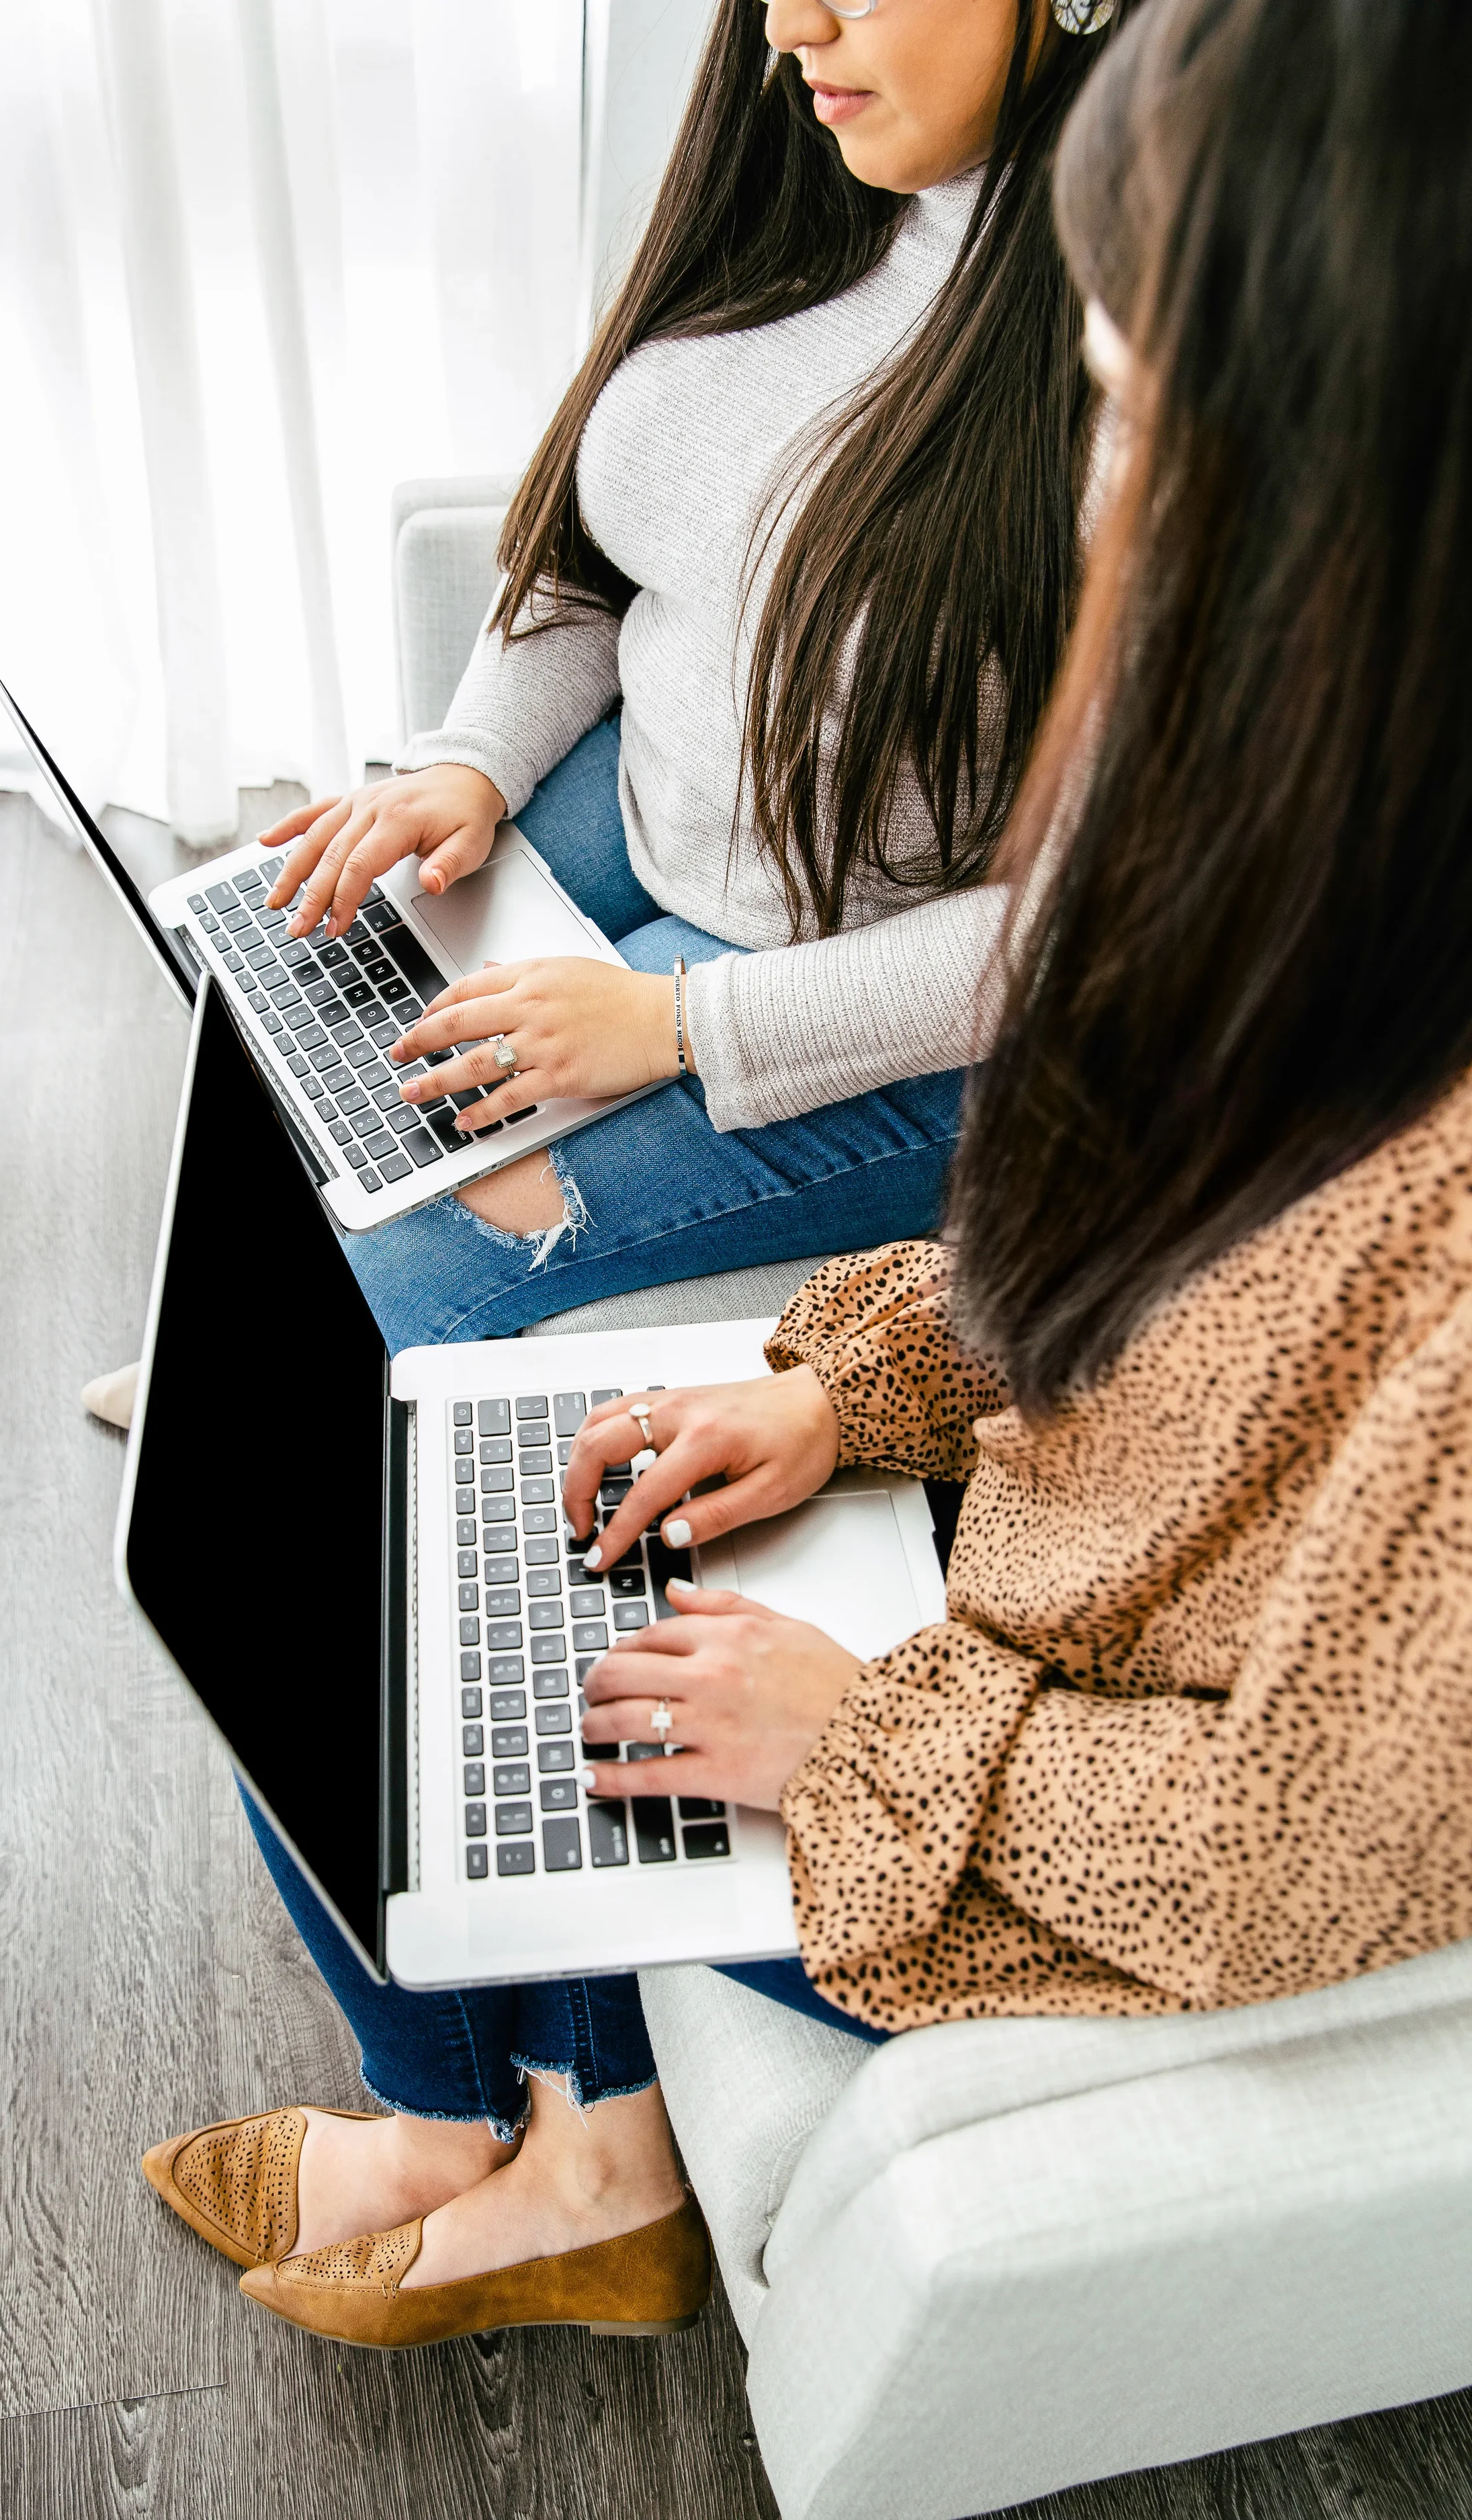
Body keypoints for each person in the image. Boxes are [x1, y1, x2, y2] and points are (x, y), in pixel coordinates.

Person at [141, 0, 1472, 2347]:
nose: (1092, 489)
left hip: (1015, 1824)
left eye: (1139, 406)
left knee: (419, 1547)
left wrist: (860, 1730)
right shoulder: (1315, 885)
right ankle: (499, 2113)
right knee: (429, 1536)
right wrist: (858, 1389)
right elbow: (1175, 1266)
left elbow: (1300, 1843)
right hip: (999, 1660)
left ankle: (566, 2152)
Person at [82, 0, 1131, 1431]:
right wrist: (471, 761)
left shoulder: (1136, 370)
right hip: (667, 816)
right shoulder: (803, 181)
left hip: (946, 1004)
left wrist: (677, 1026)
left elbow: (1094, 934)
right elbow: (590, 555)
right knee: (296, 987)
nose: (791, 25)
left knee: (431, 1220)